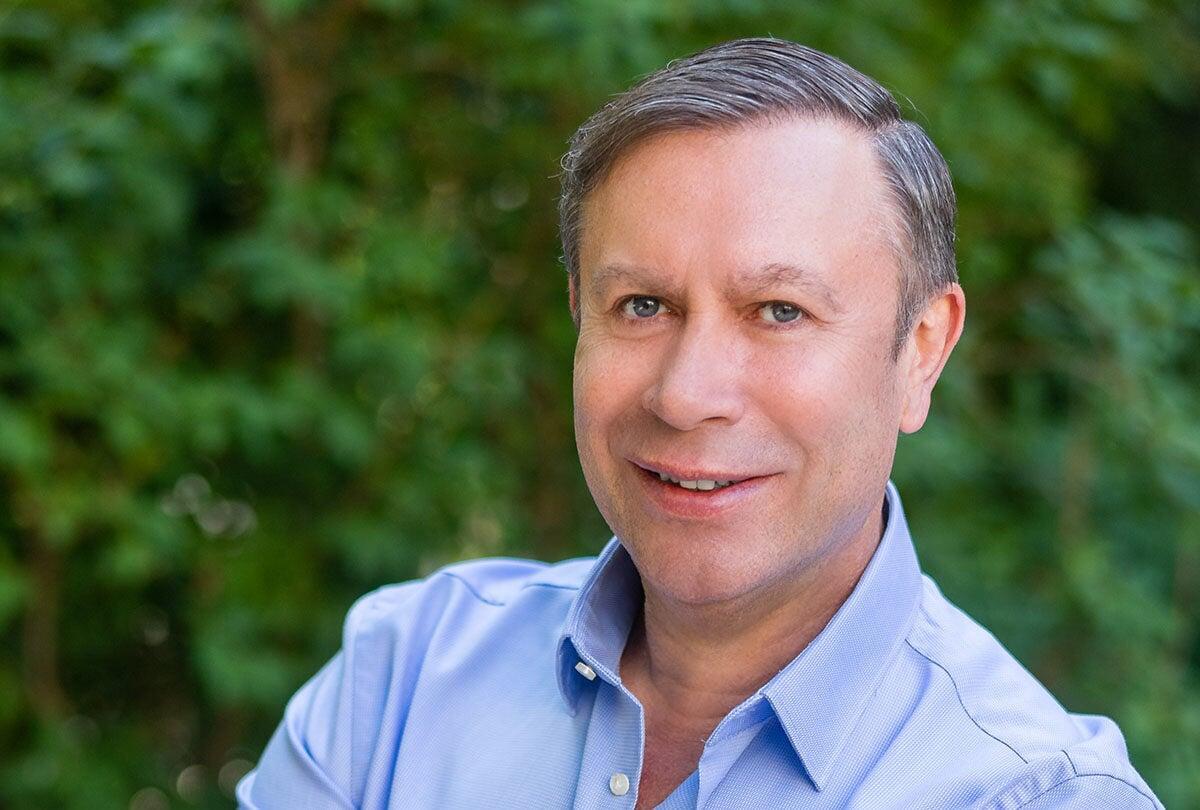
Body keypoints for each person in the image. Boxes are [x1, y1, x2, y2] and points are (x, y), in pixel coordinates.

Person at [237, 38, 1160, 809]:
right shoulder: (399, 684)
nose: (686, 394)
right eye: (642, 305)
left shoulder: (1033, 795)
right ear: (579, 315)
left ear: (921, 349)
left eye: (779, 311)